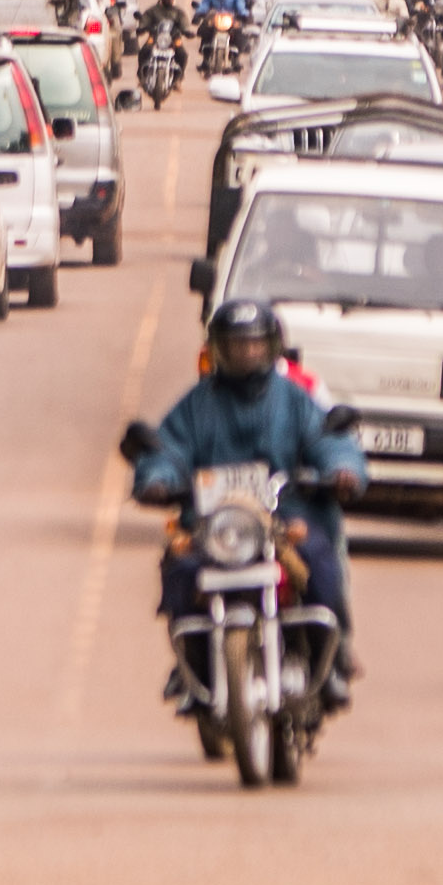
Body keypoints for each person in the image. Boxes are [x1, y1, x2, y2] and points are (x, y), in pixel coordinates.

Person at [129, 298, 370, 701]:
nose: (247, 353)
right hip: (216, 526)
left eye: (256, 344)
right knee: (181, 570)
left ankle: (329, 662)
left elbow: (330, 441)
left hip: (286, 519)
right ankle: (191, 666)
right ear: (218, 348)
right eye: (237, 345)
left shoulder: (294, 400)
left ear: (273, 347)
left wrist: (342, 471)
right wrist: (156, 478)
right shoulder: (197, 404)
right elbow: (168, 450)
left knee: (320, 564)